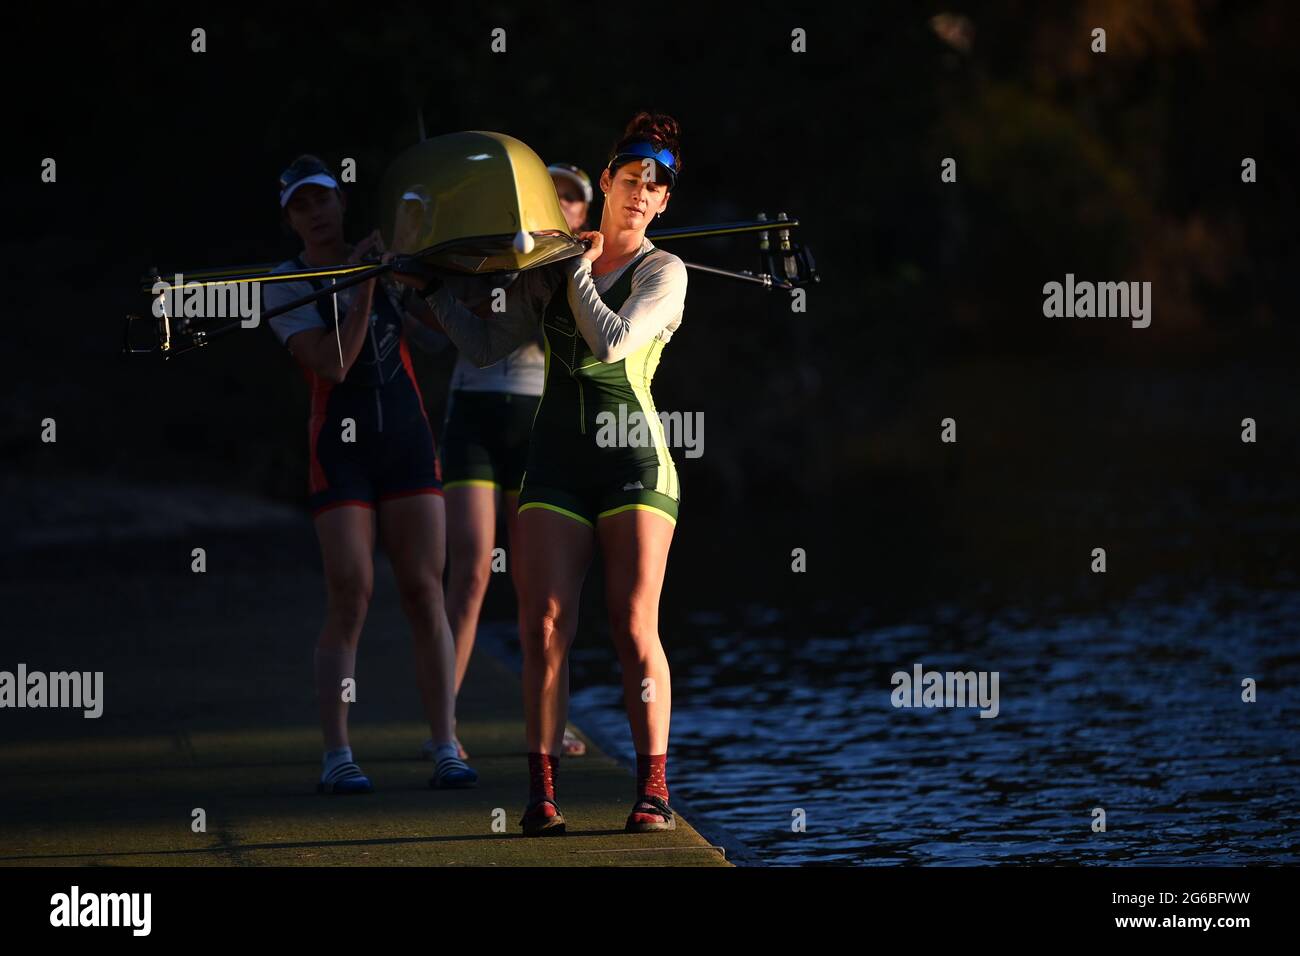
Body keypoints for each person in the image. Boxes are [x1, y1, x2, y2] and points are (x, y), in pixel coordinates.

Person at [393, 112, 688, 834]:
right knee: (542, 623)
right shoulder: (556, 264)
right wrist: (428, 290)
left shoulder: (664, 271)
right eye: (629, 180)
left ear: (663, 203)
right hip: (555, 457)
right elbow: (487, 345)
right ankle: (542, 791)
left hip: (635, 461)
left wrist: (575, 270)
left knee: (629, 623)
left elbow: (613, 345)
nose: (639, 196)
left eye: (654, 188)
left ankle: (652, 789)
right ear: (611, 180)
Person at [262, 155, 478, 794]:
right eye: (303, 206)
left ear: (341, 203)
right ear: (290, 220)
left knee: (422, 590)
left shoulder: (381, 265)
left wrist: (417, 276)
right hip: (341, 447)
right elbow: (333, 364)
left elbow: (445, 338)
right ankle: (338, 754)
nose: (317, 213)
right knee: (351, 592)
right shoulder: (285, 283)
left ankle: (445, 742)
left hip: (407, 439)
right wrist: (362, 289)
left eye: (324, 199)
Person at [415, 162, 597, 762]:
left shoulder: (578, 270)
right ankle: (443, 729)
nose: (564, 209)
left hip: (535, 424)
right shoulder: (484, 254)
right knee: (467, 574)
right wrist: (435, 277)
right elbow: (458, 335)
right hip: (471, 418)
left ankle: (552, 723)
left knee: (536, 588)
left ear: (583, 214)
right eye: (556, 199)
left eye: (574, 203)